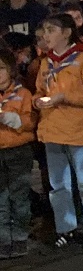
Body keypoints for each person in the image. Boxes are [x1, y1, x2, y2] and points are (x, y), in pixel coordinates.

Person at [35, 14, 83, 250]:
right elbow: (39, 91)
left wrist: (65, 97)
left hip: (78, 131)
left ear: (66, 33)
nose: (46, 35)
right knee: (59, 186)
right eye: (44, 30)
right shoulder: (46, 62)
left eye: (51, 30)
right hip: (52, 131)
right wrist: (37, 101)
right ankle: (65, 228)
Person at [0, 49, 35, 258]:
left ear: (11, 70)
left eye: (1, 68)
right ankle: (4, 240)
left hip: (18, 150)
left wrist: (16, 120)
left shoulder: (23, 94)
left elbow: (31, 122)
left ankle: (20, 237)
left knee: (19, 197)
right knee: (1, 199)